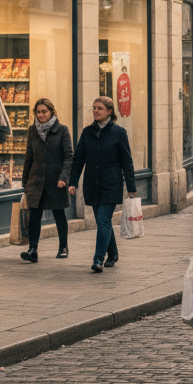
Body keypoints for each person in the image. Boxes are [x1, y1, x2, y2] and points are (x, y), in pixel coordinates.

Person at [69, 96, 137, 273]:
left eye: (99, 108)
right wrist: (73, 182)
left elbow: (127, 162)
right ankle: (113, 253)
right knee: (103, 222)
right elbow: (78, 160)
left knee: (103, 219)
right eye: (94, 108)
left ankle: (98, 258)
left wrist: (131, 188)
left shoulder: (119, 133)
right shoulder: (87, 132)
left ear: (109, 111)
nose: (95, 111)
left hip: (111, 185)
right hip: (92, 184)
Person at [20, 98, 73, 262]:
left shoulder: (62, 130)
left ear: (52, 112)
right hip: (36, 181)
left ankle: (63, 246)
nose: (41, 115)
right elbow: (29, 157)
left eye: (44, 111)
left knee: (58, 213)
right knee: (34, 215)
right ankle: (33, 249)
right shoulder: (32, 131)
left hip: (56, 180)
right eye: (38, 112)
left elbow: (69, 157)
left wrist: (64, 177)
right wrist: (25, 181)